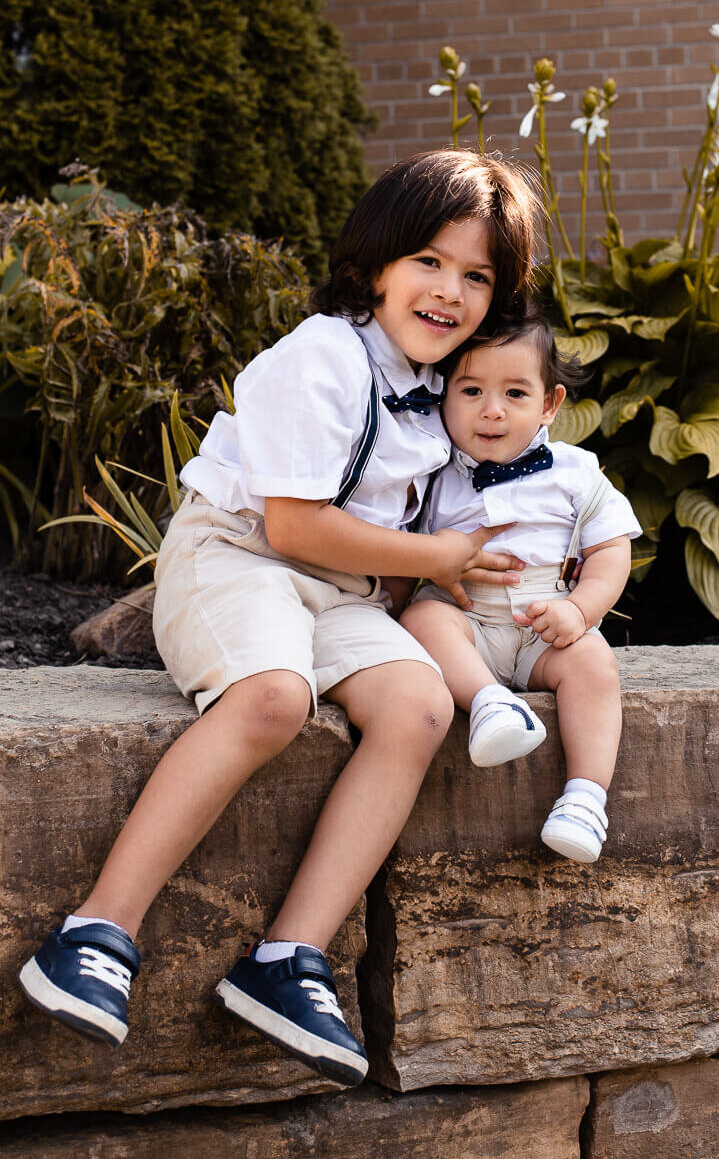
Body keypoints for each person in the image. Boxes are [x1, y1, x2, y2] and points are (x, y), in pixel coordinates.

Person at [18, 150, 542, 1088]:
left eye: (477, 276)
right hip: (240, 552)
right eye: (428, 260)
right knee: (270, 697)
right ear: (375, 262)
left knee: (421, 709)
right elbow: (295, 521)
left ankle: (285, 959)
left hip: (341, 588)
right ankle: (95, 932)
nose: (448, 291)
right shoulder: (323, 356)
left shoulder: (451, 385)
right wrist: (440, 559)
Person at [401, 310, 641, 865]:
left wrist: (581, 611)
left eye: (514, 392)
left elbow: (610, 549)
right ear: (442, 397)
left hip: (546, 628)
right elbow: (402, 549)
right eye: (471, 390)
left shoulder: (577, 472)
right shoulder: (432, 473)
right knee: (424, 620)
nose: (492, 409)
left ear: (549, 405)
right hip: (468, 623)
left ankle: (585, 798)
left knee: (593, 666)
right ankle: (489, 704)